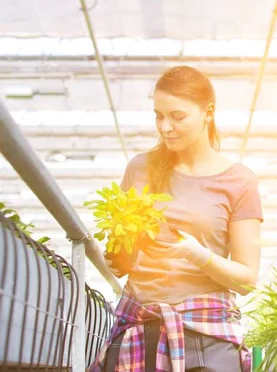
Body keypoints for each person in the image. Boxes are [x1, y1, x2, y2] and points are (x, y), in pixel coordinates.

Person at [88, 66, 263, 372]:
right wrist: (120, 253)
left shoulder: (239, 182)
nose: (165, 126)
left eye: (177, 116)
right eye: (158, 115)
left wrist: (198, 255)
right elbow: (123, 263)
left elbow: (247, 279)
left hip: (207, 336)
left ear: (207, 113)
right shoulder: (139, 169)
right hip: (140, 327)